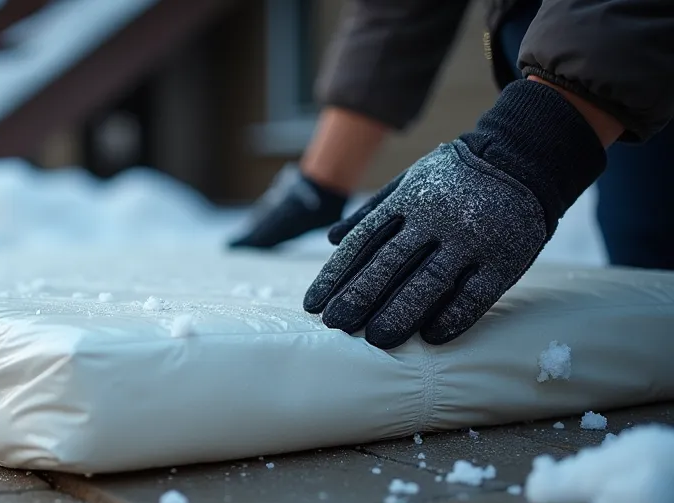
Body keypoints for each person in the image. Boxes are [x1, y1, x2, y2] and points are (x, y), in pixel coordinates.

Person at [228, 0, 674, 350]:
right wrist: (321, 179)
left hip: (640, 40)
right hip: (555, 33)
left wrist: (532, 143)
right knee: (643, 255)